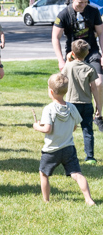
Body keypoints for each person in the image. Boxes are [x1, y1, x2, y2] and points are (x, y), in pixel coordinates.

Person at [32, 73, 95, 206]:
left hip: (51, 150)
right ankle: (88, 199)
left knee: (43, 174)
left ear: (50, 91)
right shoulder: (71, 107)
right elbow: (74, 127)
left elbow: (48, 129)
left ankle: (46, 201)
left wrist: (37, 126)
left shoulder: (48, 109)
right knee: (77, 174)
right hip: (68, 148)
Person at [52, 0, 103, 87]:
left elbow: (101, 33)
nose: (83, 5)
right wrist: (61, 60)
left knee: (99, 83)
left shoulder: (94, 11)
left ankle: (98, 104)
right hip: (72, 54)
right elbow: (55, 37)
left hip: (91, 51)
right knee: (73, 86)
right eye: (80, 2)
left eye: (86, 2)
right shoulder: (64, 14)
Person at [61, 39, 101, 166]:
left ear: (72, 53)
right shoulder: (90, 69)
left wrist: (68, 60)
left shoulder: (69, 66)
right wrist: (98, 106)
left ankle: (66, 155)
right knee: (88, 130)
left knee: (67, 130)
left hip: (71, 104)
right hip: (87, 104)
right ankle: (90, 156)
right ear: (88, 52)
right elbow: (94, 88)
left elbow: (61, 78)